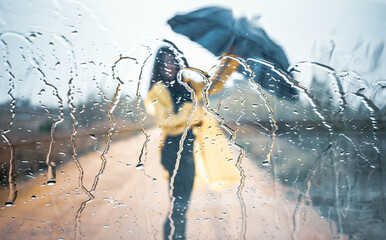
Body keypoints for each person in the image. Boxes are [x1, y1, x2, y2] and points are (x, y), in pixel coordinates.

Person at [144, 42, 240, 239]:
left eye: (172, 61)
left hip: (187, 150)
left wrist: (229, 57)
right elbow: (168, 121)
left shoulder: (188, 85)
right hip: (173, 151)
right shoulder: (157, 90)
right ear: (158, 67)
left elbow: (215, 84)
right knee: (179, 205)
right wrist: (195, 107)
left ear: (179, 63)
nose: (169, 66)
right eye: (164, 63)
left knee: (180, 205)